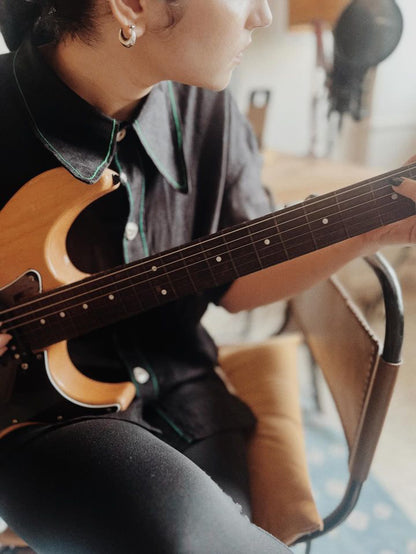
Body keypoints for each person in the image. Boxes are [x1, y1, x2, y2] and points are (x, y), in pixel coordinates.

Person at [0, 1, 415, 552]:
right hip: (36, 421)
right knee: (175, 533)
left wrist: (371, 229)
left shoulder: (207, 111)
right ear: (133, 5)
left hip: (182, 393)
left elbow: (235, 286)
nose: (264, 15)